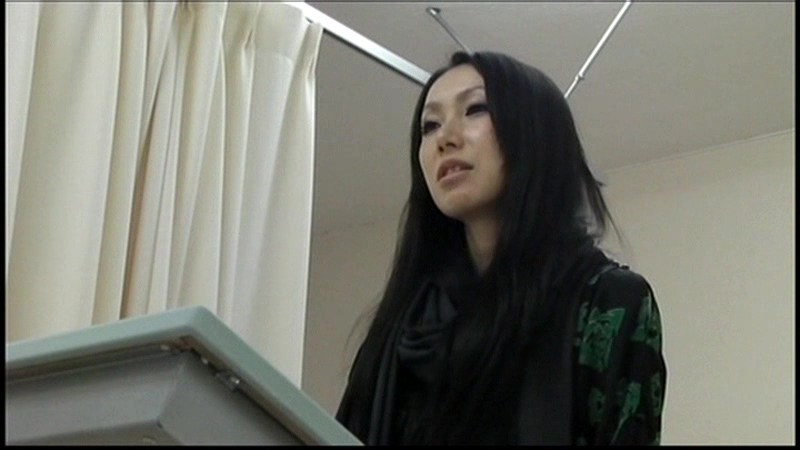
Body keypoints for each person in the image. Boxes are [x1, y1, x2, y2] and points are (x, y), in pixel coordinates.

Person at [335, 51, 667, 445]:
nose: (446, 139)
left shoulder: (608, 302)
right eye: (430, 125)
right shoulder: (401, 332)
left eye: (475, 109)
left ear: (535, 133)